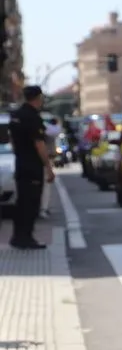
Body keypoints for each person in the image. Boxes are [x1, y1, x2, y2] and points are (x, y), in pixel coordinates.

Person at [8, 86, 54, 249]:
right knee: (31, 203)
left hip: (21, 164)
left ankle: (17, 236)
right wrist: (48, 167)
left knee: (21, 202)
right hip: (32, 165)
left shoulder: (16, 115)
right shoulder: (33, 117)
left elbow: (12, 142)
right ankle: (26, 238)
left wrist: (19, 155)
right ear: (38, 98)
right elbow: (39, 144)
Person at [39, 116, 61, 218]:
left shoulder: (47, 129)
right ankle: (43, 208)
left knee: (45, 184)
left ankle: (43, 208)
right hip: (43, 159)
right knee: (45, 184)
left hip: (44, 159)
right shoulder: (47, 131)